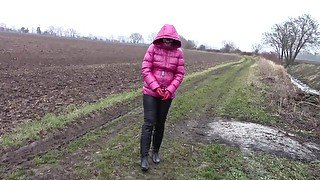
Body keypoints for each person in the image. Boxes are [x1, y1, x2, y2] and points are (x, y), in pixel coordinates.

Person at [140, 24, 185, 171]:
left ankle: (156, 152)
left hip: (167, 94)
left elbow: (179, 74)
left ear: (174, 40)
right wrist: (156, 87)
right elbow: (145, 69)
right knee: (149, 123)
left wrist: (169, 89)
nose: (167, 42)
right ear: (161, 37)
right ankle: (144, 156)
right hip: (150, 92)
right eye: (165, 39)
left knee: (160, 123)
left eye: (170, 40)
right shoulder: (152, 49)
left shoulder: (178, 53)